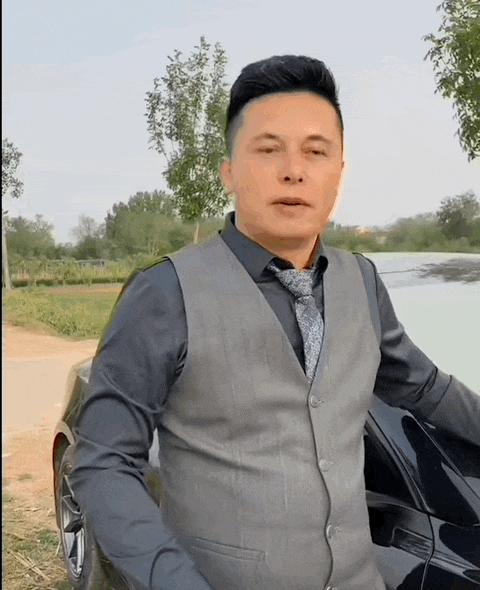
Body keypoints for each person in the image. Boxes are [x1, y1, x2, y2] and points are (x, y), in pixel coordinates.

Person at [69, 55, 480, 590]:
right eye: (268, 149)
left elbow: (423, 386)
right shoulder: (165, 292)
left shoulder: (361, 281)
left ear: (339, 173)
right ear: (230, 172)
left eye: (315, 151)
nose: (294, 170)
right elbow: (104, 463)